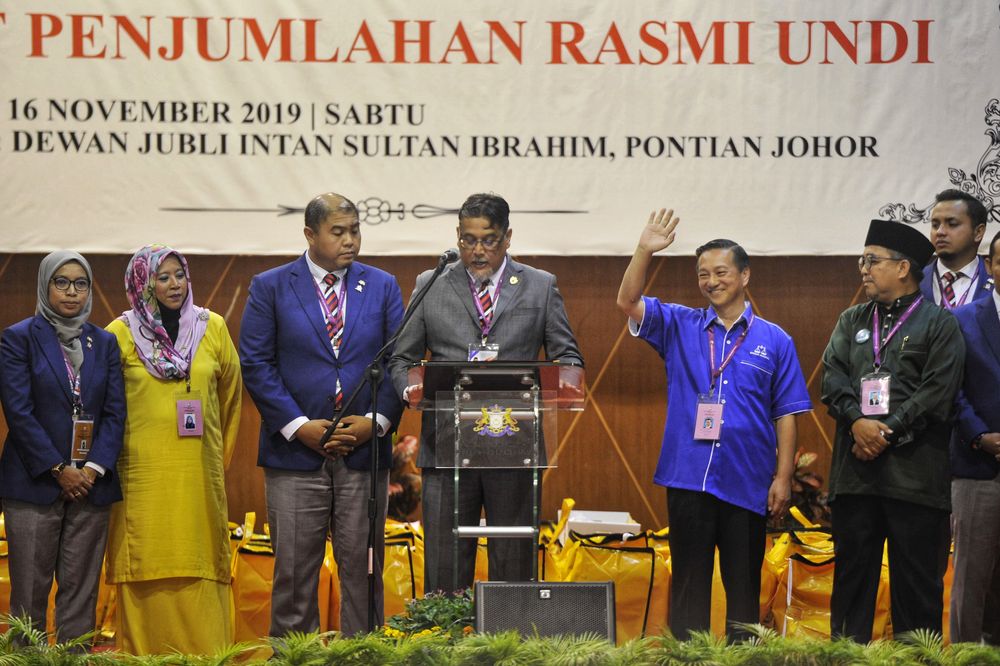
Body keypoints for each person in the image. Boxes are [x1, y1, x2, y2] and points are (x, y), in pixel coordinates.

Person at [616, 209, 811, 640]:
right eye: (703, 274)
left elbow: (787, 413)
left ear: (745, 275)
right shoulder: (680, 324)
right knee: (688, 585)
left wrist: (782, 478)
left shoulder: (775, 339)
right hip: (688, 477)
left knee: (744, 588)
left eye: (721, 271)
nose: (711, 281)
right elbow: (628, 302)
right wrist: (644, 250)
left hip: (747, 478)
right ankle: (689, 656)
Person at [388, 192, 583, 594]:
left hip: (514, 443)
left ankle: (507, 644)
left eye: (488, 240)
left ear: (508, 238)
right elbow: (401, 358)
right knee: (444, 566)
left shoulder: (540, 286)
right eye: (467, 239)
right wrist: (410, 387)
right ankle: (442, 645)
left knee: (512, 564)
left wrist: (566, 380)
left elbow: (567, 355)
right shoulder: (431, 283)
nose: (477, 251)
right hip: (445, 446)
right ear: (457, 236)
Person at [239, 193, 404, 637]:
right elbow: (255, 364)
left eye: (355, 230)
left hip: (363, 453)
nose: (350, 240)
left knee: (364, 573)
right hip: (294, 454)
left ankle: (364, 655)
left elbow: (400, 362)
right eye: (338, 231)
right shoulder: (270, 286)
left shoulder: (383, 285)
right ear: (310, 234)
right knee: (294, 575)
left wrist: (377, 421)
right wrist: (298, 427)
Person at [822, 219, 965, 642]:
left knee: (917, 592)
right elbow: (832, 381)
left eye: (872, 260)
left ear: (903, 268)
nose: (863, 268)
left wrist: (885, 432)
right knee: (850, 587)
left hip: (915, 481)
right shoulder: (851, 321)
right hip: (856, 479)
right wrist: (858, 423)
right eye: (861, 260)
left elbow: (938, 391)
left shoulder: (940, 324)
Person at [105, 245, 242, 654]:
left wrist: (214, 466)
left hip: (198, 485)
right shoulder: (119, 333)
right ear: (141, 285)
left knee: (202, 575)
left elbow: (231, 399)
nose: (174, 284)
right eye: (161, 277)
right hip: (140, 487)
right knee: (144, 568)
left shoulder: (212, 327)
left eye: (178, 274)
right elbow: (106, 408)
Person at [0, 251, 125, 645]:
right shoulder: (19, 338)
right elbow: (17, 412)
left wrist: (91, 470)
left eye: (80, 283)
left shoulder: (104, 342)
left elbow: (115, 413)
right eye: (62, 282)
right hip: (34, 484)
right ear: (45, 285)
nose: (72, 292)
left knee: (81, 594)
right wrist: (59, 469)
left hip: (91, 486)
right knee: (29, 597)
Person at [950, 229, 1000, 643]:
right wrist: (981, 436)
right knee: (971, 576)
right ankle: (966, 655)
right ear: (992, 265)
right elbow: (952, 390)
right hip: (980, 464)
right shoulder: (964, 318)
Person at [921, 189, 992, 308]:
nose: (940, 232)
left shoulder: (995, 281)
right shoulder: (912, 283)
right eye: (935, 225)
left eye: (952, 224)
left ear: (978, 232)